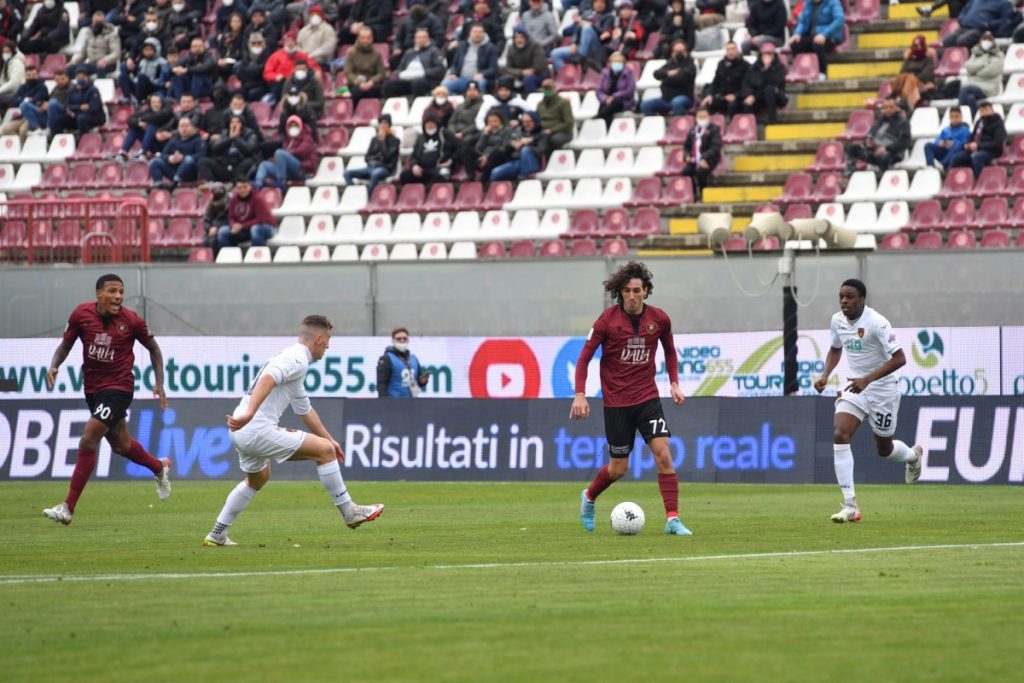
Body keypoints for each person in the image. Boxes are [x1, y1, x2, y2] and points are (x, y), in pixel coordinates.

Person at [204, 315, 384, 546]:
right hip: (255, 427)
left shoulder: (294, 360)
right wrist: (250, 413)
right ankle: (350, 511)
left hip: (240, 431)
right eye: (328, 339)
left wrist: (330, 439)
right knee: (324, 452)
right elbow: (268, 378)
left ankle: (217, 533)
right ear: (318, 338)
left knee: (258, 479)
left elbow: (304, 410)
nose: (328, 345)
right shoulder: (297, 358)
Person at [571, 261, 692, 537]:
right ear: (620, 293)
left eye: (637, 290)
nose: (632, 296)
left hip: (647, 399)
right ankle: (589, 497)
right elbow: (584, 359)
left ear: (646, 291)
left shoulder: (659, 319)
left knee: (663, 454)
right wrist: (580, 394)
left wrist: (674, 383)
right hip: (616, 404)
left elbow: (670, 352)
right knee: (619, 468)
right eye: (626, 291)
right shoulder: (606, 321)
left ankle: (672, 519)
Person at [41, 274, 172, 526]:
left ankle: (68, 508)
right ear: (99, 293)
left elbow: (154, 349)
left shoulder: (131, 321)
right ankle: (158, 466)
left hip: (119, 389)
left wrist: (160, 382)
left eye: (121, 292)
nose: (118, 297)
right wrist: (54, 366)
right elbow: (65, 345)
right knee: (121, 445)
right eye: (112, 291)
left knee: (89, 438)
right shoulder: (81, 314)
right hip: (93, 390)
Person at [813, 279, 923, 524]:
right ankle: (850, 505)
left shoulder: (877, 323)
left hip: (883, 390)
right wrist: (824, 376)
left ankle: (913, 456)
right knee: (840, 434)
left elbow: (900, 358)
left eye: (849, 297)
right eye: (841, 296)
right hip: (855, 387)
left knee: (884, 449)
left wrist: (869, 379)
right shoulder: (837, 321)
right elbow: (835, 348)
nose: (844, 301)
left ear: (862, 299)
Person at [844, 97, 911, 176]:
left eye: (891, 107)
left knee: (884, 157)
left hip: (892, 153)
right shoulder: (879, 122)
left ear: (896, 108)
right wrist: (868, 143)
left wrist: (886, 148)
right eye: (886, 107)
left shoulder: (903, 122)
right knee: (853, 148)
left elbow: (905, 141)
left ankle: (885, 180)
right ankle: (847, 177)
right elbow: (869, 136)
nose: (888, 110)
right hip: (875, 152)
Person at [255, 115, 318, 189]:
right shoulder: (288, 140)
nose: (293, 128)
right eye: (290, 126)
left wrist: (288, 152)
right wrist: (274, 160)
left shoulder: (307, 138)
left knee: (280, 153)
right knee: (265, 164)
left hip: (302, 169)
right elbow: (282, 157)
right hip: (288, 171)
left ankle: (281, 182)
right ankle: (257, 184)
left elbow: (303, 152)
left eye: (295, 125)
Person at [382, 27, 446, 98]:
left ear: (428, 39)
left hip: (426, 80)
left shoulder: (434, 51)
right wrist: (400, 74)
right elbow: (399, 69)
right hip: (408, 79)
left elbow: (440, 70)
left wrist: (424, 72)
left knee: (417, 83)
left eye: (424, 37)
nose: (421, 40)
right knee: (389, 85)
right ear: (415, 39)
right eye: (418, 37)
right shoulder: (409, 52)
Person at [789, 0, 845, 81]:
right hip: (812, 36)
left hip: (830, 35)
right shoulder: (807, 3)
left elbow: (839, 20)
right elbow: (803, 21)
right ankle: (801, 70)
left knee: (818, 43)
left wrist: (824, 34)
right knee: (795, 43)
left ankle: (822, 72)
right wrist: (797, 33)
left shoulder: (833, 2)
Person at [343, 113, 400, 192]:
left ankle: (369, 197)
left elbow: (387, 157)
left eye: (385, 123)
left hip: (385, 168)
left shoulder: (394, 140)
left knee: (375, 174)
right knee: (347, 173)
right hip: (371, 166)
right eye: (381, 123)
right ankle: (354, 193)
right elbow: (367, 157)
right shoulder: (374, 139)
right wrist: (376, 159)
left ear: (389, 125)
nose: (383, 125)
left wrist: (382, 142)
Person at [949, 100, 1006, 177]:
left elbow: (997, 142)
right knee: (956, 158)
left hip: (991, 151)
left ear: (992, 111)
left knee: (976, 157)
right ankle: (954, 181)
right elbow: (972, 136)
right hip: (976, 149)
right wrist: (967, 144)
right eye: (982, 110)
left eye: (986, 110)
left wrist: (978, 146)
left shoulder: (998, 124)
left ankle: (980, 181)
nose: (984, 112)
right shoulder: (979, 122)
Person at [198, 114, 260, 183]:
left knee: (249, 162)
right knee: (203, 161)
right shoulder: (225, 133)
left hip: (239, 166)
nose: (234, 124)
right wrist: (230, 138)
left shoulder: (250, 134)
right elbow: (215, 148)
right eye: (232, 122)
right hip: (224, 166)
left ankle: (234, 185)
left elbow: (249, 150)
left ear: (242, 124)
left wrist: (236, 138)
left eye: (238, 122)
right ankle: (212, 186)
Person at [640, 40, 695, 117]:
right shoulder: (669, 64)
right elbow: (656, 73)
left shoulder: (690, 65)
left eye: (681, 51)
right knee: (646, 105)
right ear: (672, 53)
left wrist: (666, 78)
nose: (679, 54)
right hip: (666, 99)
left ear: (686, 52)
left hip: (684, 98)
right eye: (676, 51)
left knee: (676, 102)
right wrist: (668, 73)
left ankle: (678, 126)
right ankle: (655, 126)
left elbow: (682, 78)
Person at [263, 30, 320, 104]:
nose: (290, 44)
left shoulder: (301, 56)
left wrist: (317, 71)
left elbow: (313, 65)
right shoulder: (276, 56)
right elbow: (267, 72)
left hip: (298, 82)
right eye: (287, 41)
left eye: (292, 41)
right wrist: (276, 76)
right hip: (282, 83)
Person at [48, 67, 106, 137]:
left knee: (81, 118)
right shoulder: (73, 90)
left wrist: (76, 109)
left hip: (94, 117)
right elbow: (67, 106)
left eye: (83, 76)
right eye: (78, 76)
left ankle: (83, 141)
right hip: (75, 115)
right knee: (58, 120)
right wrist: (79, 107)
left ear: (87, 77)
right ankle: (56, 139)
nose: (80, 78)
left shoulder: (93, 90)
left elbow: (93, 108)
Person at [149, 116, 206, 188]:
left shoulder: (198, 140)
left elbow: (202, 155)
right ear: (178, 128)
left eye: (187, 126)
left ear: (192, 127)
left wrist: (182, 157)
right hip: (173, 170)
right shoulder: (174, 140)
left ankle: (175, 183)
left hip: (190, 173)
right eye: (182, 126)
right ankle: (158, 185)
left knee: (188, 159)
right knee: (154, 162)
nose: (184, 128)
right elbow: (163, 154)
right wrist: (169, 158)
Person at [217, 179, 276, 248]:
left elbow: (260, 219)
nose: (242, 190)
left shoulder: (258, 198)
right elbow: (231, 217)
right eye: (239, 188)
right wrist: (233, 225)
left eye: (245, 187)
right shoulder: (233, 199)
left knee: (255, 229)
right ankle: (230, 257)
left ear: (250, 187)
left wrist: (242, 225)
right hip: (244, 229)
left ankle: (257, 256)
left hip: (265, 227)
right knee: (222, 231)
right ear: (235, 189)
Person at [490, 110, 546, 181]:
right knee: (495, 173)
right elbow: (505, 149)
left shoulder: (541, 134)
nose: (526, 124)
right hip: (516, 162)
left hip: (532, 162)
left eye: (528, 122)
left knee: (525, 150)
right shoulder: (517, 131)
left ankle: (523, 177)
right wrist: (512, 145)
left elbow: (541, 151)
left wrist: (527, 144)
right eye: (524, 122)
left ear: (535, 121)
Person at [739, 43, 788, 123]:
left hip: (776, 96)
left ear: (774, 55)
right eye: (765, 55)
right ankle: (751, 127)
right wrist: (750, 95)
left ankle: (772, 121)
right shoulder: (754, 67)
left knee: (769, 89)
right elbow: (748, 82)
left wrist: (766, 69)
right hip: (759, 96)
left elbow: (775, 83)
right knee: (747, 102)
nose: (767, 57)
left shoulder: (779, 67)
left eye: (770, 54)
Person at [957, 33, 1004, 116]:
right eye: (984, 39)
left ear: (993, 42)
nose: (986, 42)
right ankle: (975, 118)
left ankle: (962, 116)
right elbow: (968, 67)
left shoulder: (998, 56)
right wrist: (983, 63)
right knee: (970, 98)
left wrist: (975, 72)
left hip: (988, 88)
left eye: (989, 40)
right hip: (973, 87)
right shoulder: (975, 54)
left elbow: (989, 72)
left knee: (964, 90)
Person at [376, 327, 431, 398]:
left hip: (412, 402)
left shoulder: (413, 359)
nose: (402, 340)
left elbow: (418, 382)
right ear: (393, 341)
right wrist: (384, 404)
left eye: (404, 338)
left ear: (408, 340)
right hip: (394, 403)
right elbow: (382, 384)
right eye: (398, 339)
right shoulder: (387, 359)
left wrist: (422, 381)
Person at [401, 112, 454, 184]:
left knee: (443, 174)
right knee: (405, 175)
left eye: (432, 124)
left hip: (438, 168)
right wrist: (415, 165)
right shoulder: (420, 138)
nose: (430, 126)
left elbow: (455, 149)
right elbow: (414, 156)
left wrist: (450, 161)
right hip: (422, 169)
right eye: (427, 124)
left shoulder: (444, 135)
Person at [682, 106, 721, 201]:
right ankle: (694, 194)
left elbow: (715, 147)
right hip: (694, 159)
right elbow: (686, 147)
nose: (702, 119)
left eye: (705, 116)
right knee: (685, 172)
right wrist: (687, 156)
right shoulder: (692, 131)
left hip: (709, 159)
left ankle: (704, 193)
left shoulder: (714, 129)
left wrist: (704, 158)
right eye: (700, 116)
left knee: (701, 171)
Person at [118, 92, 174, 159]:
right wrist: (139, 123)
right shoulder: (148, 110)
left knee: (152, 126)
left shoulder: (166, 111)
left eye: (158, 102)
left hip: (161, 143)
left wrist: (142, 119)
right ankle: (124, 151)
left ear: (162, 103)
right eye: (153, 102)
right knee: (134, 129)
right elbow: (130, 119)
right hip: (150, 142)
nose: (156, 104)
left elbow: (157, 117)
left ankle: (144, 151)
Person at [699, 41, 748, 117]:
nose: (731, 52)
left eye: (733, 49)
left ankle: (731, 125)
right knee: (707, 101)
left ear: (737, 50)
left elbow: (747, 86)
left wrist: (735, 95)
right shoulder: (721, 64)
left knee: (733, 105)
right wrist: (709, 95)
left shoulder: (745, 65)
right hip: (722, 96)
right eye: (728, 49)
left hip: (737, 98)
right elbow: (715, 82)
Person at [941, 0, 1016, 48]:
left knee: (962, 40)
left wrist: (989, 24)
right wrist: (961, 19)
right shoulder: (975, 1)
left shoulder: (1003, 3)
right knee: (947, 41)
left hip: (981, 30)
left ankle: (969, 62)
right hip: (964, 27)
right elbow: (964, 11)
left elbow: (1007, 21)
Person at [890, 35, 937, 110]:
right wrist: (906, 60)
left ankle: (903, 100)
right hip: (907, 83)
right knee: (896, 79)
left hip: (923, 85)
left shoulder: (928, 58)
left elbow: (927, 75)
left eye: (918, 46)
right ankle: (897, 98)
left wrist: (912, 77)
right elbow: (902, 72)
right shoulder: (909, 58)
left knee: (910, 79)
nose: (916, 49)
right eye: (915, 46)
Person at [68, 11, 121, 77]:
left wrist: (105, 60)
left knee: (100, 69)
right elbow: (83, 53)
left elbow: (116, 53)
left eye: (100, 22)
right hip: (92, 63)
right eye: (96, 22)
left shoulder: (111, 34)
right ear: (93, 22)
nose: (98, 24)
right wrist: (73, 61)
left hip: (108, 64)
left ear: (105, 22)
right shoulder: (89, 33)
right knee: (71, 70)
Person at [1, 62, 47, 138]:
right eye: (29, 75)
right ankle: (18, 146)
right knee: (5, 130)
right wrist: (26, 99)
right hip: (22, 116)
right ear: (25, 75)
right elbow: (13, 101)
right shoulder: (22, 87)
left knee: (23, 130)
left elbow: (35, 101)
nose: (31, 77)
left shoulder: (42, 88)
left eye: (33, 75)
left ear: (37, 75)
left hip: (34, 116)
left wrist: (22, 100)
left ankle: (26, 147)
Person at [119, 37, 169, 105]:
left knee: (142, 77)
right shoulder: (142, 61)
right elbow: (137, 74)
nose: (148, 52)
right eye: (146, 50)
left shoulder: (162, 62)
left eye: (150, 50)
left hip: (153, 87)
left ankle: (138, 102)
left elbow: (160, 80)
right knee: (123, 76)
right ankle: (127, 98)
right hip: (140, 87)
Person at [344, 26, 387, 104]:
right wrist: (359, 83)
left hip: (372, 83)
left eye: (368, 38)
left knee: (376, 90)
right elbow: (348, 72)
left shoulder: (377, 53)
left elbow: (381, 73)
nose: (365, 40)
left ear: (372, 38)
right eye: (363, 38)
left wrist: (371, 82)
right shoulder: (351, 52)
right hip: (355, 83)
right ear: (358, 38)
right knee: (357, 92)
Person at [466, 109, 510, 181]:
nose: (493, 124)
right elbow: (478, 148)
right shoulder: (484, 132)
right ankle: (471, 175)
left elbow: (504, 147)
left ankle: (484, 178)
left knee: (496, 152)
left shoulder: (507, 130)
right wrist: (485, 135)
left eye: (495, 121)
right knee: (465, 148)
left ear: (501, 121)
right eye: (490, 122)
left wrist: (487, 156)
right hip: (482, 157)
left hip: (497, 157)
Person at [504, 25, 547, 95]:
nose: (519, 40)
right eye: (516, 37)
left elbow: (540, 65)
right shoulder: (511, 48)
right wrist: (521, 72)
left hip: (538, 74)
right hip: (519, 75)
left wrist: (531, 71)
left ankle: (531, 100)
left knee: (528, 80)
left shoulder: (535, 46)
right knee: (504, 80)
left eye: (521, 37)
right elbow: (508, 68)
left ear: (526, 37)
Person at [595, 51, 635, 124]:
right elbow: (599, 91)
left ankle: (599, 117)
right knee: (605, 106)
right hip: (607, 102)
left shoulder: (629, 73)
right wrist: (605, 98)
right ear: (610, 63)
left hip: (623, 102)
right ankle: (602, 126)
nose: (617, 63)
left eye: (619, 62)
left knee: (614, 103)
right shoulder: (605, 74)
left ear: (623, 63)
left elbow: (630, 91)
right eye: (615, 61)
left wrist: (614, 96)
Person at [170, 36, 216, 100]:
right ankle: (180, 101)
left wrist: (187, 70)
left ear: (204, 46)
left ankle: (192, 100)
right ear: (191, 48)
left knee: (198, 75)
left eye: (199, 46)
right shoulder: (190, 56)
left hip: (208, 86)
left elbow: (204, 68)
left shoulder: (209, 56)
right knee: (176, 76)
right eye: (194, 46)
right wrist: (174, 68)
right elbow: (179, 63)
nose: (197, 48)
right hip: (192, 86)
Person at [536, 78, 573, 150]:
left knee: (554, 140)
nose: (547, 91)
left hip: (563, 132)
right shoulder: (540, 104)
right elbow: (537, 119)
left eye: (549, 89)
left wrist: (551, 130)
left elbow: (569, 123)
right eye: (545, 89)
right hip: (544, 131)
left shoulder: (563, 103)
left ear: (554, 89)